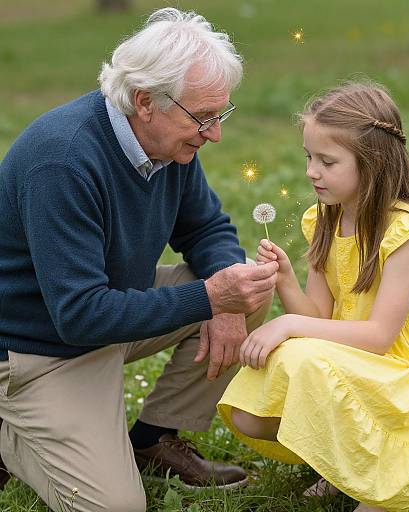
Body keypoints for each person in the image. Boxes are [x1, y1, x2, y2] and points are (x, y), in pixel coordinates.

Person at [0, 7, 278, 512]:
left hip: (105, 315)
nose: (214, 133)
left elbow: (207, 228)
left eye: (221, 114)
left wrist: (227, 298)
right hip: (38, 352)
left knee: (250, 288)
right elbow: (79, 316)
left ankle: (153, 439)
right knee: (116, 508)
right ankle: (11, 433)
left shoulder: (169, 146)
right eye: (203, 117)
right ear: (146, 102)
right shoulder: (62, 160)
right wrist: (210, 297)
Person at [217, 81, 409, 512]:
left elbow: (381, 336)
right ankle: (349, 463)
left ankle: (401, 471)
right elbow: (319, 317)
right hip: (368, 366)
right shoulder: (325, 219)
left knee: (300, 353)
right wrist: (287, 280)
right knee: (260, 402)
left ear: (373, 164)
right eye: (309, 157)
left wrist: (289, 325)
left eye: (327, 161)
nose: (311, 171)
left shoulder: (406, 232)